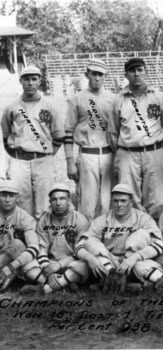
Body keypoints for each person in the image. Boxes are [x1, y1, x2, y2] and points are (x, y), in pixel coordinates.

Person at [108, 58, 163, 222]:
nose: (136, 74)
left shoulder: (159, 97)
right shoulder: (119, 99)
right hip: (127, 153)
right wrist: (125, 150)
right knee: (129, 196)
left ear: (146, 72)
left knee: (157, 198)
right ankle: (134, 234)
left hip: (154, 151)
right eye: (132, 71)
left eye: (140, 70)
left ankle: (157, 236)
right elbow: (113, 132)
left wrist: (156, 146)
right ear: (126, 75)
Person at [73, 184, 163, 293]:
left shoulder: (143, 218)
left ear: (131, 202)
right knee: (87, 249)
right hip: (109, 263)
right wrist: (90, 258)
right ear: (111, 202)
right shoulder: (102, 220)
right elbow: (80, 246)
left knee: (140, 236)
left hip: (133, 262)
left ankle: (105, 284)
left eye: (123, 201)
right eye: (115, 201)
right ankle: (116, 278)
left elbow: (159, 245)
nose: (119, 204)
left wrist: (135, 257)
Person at [1, 66, 65, 220]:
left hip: (43, 160)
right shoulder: (11, 107)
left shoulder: (50, 106)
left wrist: (46, 153)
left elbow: (58, 135)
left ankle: (43, 240)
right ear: (20, 81)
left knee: (44, 204)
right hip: (19, 161)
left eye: (34, 79)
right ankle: (24, 239)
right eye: (26, 79)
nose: (30, 83)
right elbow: (5, 135)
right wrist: (16, 153)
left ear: (39, 81)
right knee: (21, 202)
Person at [64, 59, 115, 220]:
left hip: (109, 154)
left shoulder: (113, 99)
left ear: (105, 76)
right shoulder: (77, 99)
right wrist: (70, 161)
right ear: (87, 74)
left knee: (109, 203)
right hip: (87, 154)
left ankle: (109, 239)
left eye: (100, 74)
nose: (97, 78)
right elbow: (68, 132)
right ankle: (84, 239)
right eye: (94, 74)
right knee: (87, 203)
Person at [20, 183, 90, 294]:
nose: (58, 203)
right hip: (50, 263)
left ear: (69, 201)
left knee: (84, 265)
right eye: (54, 199)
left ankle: (45, 288)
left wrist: (60, 264)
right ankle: (64, 284)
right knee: (26, 265)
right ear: (50, 202)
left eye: (62, 198)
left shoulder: (80, 220)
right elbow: (42, 249)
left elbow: (80, 250)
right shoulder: (44, 220)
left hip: (71, 263)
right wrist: (49, 271)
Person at [0, 180, 39, 291]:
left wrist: (12, 266)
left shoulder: (25, 218)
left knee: (16, 244)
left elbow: (34, 247)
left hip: (16, 258)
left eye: (11, 196)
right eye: (3, 195)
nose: (7, 200)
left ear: (18, 197)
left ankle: (9, 273)